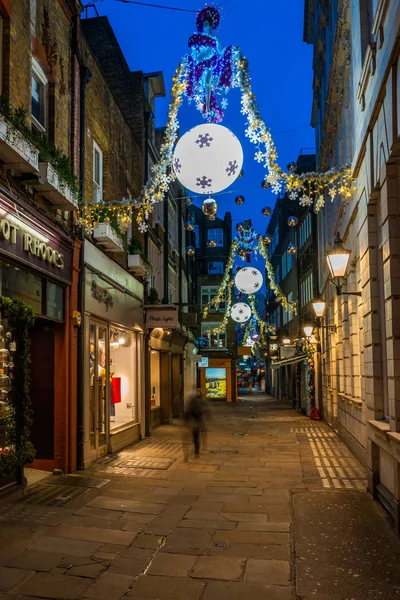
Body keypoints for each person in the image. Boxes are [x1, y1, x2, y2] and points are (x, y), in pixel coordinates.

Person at [183, 388, 210, 458]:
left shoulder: (192, 400)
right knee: (198, 437)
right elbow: (206, 410)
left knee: (193, 437)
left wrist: (186, 421)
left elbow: (187, 410)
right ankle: (197, 452)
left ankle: (187, 454)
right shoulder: (203, 401)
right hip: (198, 422)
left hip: (192, 422)